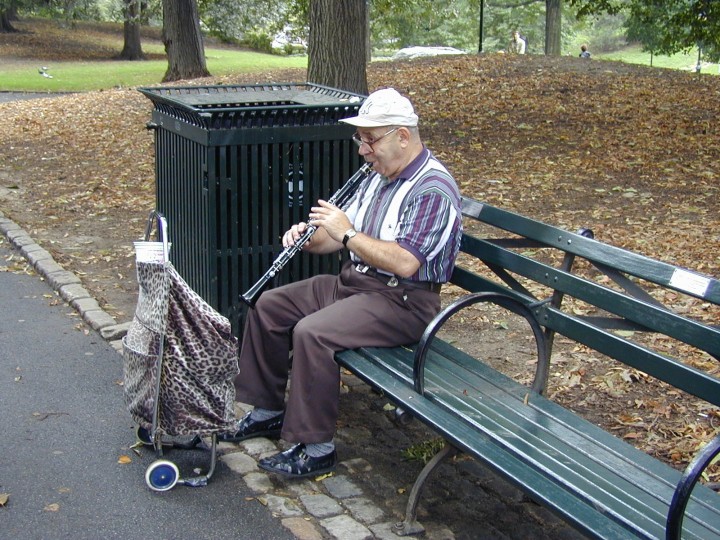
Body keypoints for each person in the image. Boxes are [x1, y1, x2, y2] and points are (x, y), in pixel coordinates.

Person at [219, 88, 463, 478]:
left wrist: (347, 234)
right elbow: (334, 238)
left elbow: (404, 261)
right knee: (270, 306)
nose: (363, 150)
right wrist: (309, 235)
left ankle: (316, 448)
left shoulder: (432, 190)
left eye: (371, 139)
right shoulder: (378, 176)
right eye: (360, 139)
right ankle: (267, 410)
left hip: (402, 301)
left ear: (403, 135)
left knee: (314, 333)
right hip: (356, 284)